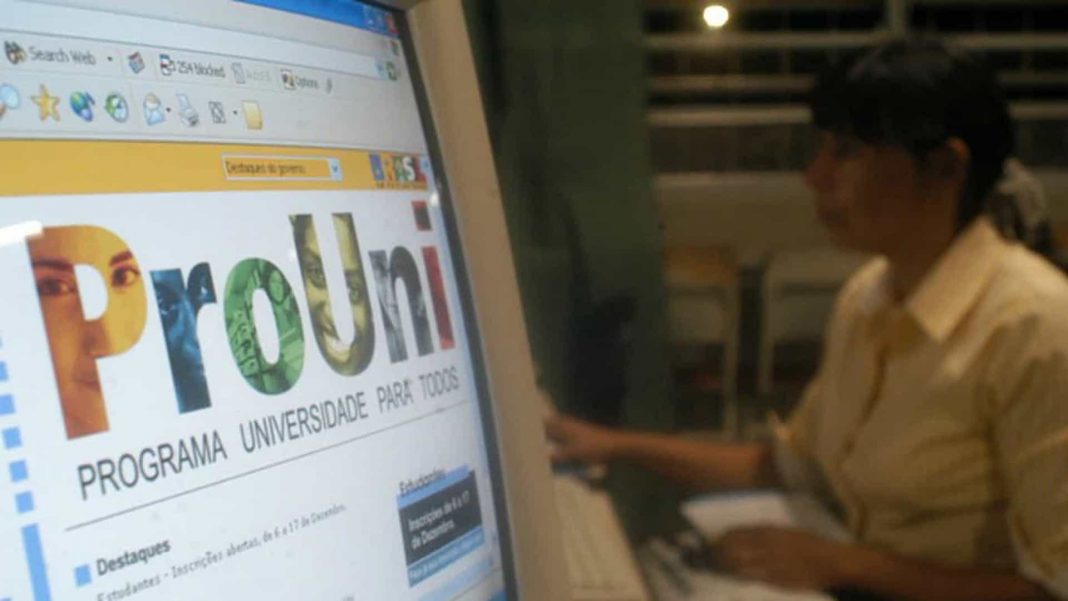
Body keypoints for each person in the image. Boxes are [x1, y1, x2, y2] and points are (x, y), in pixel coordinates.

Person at [547, 37, 1068, 601]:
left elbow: (1052, 587)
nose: (814, 175)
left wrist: (846, 565)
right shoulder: (869, 295)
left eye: (847, 151)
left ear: (944, 167)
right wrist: (613, 445)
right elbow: (788, 466)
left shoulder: (1036, 328)